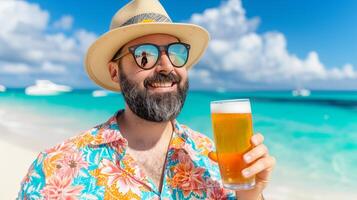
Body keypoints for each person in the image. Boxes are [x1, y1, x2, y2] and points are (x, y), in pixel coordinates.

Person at [18, 0, 275, 199]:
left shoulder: (214, 162)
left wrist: (251, 196)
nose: (166, 66)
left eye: (175, 53)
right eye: (144, 55)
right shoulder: (55, 169)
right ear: (114, 72)